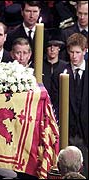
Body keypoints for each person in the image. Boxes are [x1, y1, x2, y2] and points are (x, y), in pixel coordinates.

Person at [52, 33, 88, 178]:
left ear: (85, 51)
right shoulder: (60, 73)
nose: (74, 56)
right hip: (68, 131)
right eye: (71, 52)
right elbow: (55, 103)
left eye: (78, 52)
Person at [42, 36, 68, 101]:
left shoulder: (66, 66)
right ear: (46, 48)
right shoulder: (39, 66)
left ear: (59, 48)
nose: (52, 49)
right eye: (49, 46)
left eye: (55, 46)